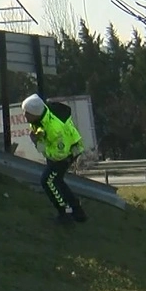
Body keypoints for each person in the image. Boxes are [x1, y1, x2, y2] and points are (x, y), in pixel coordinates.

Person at [22, 93, 88, 225]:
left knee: (48, 181)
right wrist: (39, 137)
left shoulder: (55, 129)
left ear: (35, 113)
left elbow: (59, 156)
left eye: (27, 113)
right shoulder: (40, 117)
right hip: (66, 148)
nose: (25, 116)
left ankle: (64, 214)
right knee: (57, 181)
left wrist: (38, 144)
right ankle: (77, 211)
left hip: (68, 152)